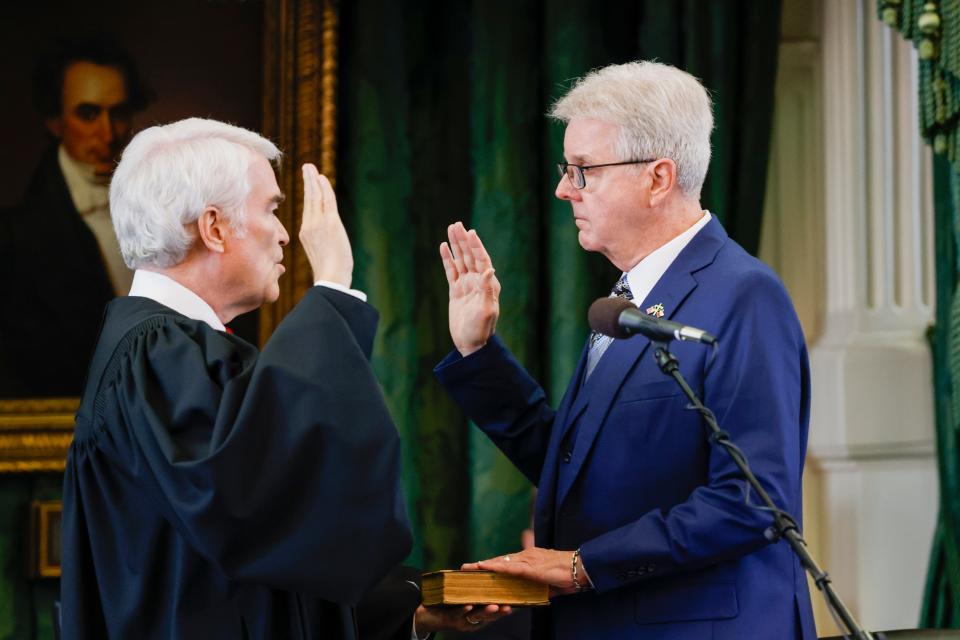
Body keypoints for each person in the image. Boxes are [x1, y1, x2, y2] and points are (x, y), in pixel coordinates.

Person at [434, 61, 816, 639]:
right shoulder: (630, 299)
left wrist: (582, 566)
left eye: (583, 170)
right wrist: (477, 351)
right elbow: (578, 466)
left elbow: (752, 499)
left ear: (658, 179)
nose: (564, 188)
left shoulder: (743, 294)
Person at [60, 117, 413, 638]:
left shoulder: (170, 349)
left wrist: (408, 610)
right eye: (271, 208)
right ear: (214, 228)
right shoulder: (156, 353)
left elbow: (255, 561)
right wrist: (333, 288)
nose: (286, 233)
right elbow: (248, 506)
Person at [0, 37, 151, 396]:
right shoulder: (13, 238)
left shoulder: (163, 206)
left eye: (119, 112)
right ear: (55, 121)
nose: (108, 133)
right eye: (88, 114)